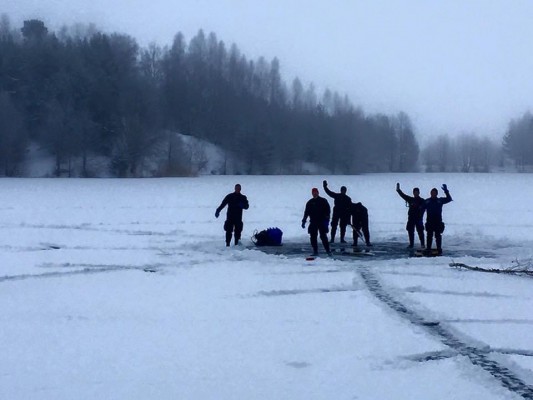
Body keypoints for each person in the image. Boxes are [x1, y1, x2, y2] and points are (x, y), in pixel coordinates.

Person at [423, 184, 452, 255]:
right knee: (429, 236)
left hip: (438, 221)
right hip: (429, 221)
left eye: (434, 193)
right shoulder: (427, 201)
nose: (432, 194)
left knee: (438, 236)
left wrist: (446, 191)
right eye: (431, 193)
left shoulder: (440, 200)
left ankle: (439, 248)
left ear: (436, 194)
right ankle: (428, 248)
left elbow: (449, 199)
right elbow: (421, 209)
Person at [301, 187, 331, 256]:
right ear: (312, 194)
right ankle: (315, 251)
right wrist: (304, 221)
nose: (314, 194)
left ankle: (328, 251)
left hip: (322, 221)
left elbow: (328, 211)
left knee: (323, 237)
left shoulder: (323, 201)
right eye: (313, 193)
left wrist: (327, 219)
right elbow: (306, 212)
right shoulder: (310, 202)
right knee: (313, 237)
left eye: (315, 192)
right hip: (313, 222)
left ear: (318, 193)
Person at [396, 183, 426, 249]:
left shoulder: (422, 201)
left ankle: (422, 244)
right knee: (410, 231)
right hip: (411, 218)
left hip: (418, 219)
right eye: (414, 192)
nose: (415, 193)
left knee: (420, 232)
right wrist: (398, 190)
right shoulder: (411, 199)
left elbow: (426, 208)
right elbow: (403, 196)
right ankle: (411, 244)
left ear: (419, 193)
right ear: (413, 193)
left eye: (417, 192)